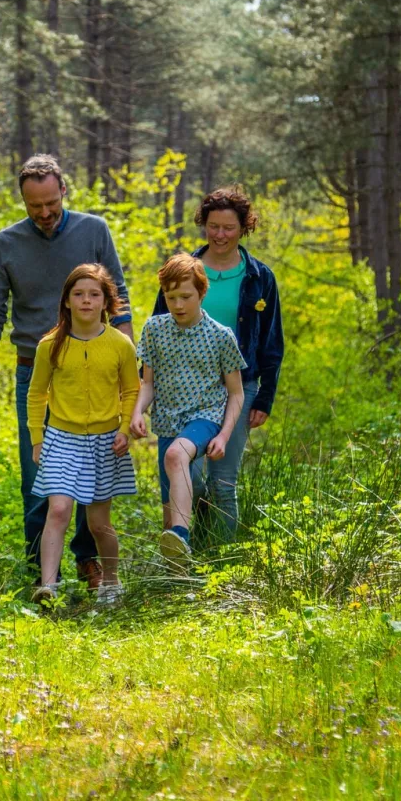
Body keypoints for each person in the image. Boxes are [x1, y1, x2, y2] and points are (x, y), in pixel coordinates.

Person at [0, 154, 133, 588]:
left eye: (50, 204)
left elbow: (120, 298)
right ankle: (40, 575)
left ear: (64, 189)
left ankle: (86, 559)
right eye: (33, 206)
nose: (43, 214)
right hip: (36, 372)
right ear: (23, 200)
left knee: (93, 474)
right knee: (40, 476)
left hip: (97, 369)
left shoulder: (93, 230)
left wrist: (130, 369)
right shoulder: (6, 244)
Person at [149, 186, 284, 543]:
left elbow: (272, 343)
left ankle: (220, 562)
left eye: (228, 227)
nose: (220, 235)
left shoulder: (260, 277)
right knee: (184, 473)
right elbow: (157, 331)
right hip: (184, 390)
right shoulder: (183, 271)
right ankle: (183, 549)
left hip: (241, 387)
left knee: (224, 481)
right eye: (213, 226)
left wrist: (264, 398)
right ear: (203, 225)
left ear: (243, 228)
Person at [25, 264, 138, 605]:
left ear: (106, 302)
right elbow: (36, 393)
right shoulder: (50, 345)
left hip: (105, 442)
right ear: (67, 301)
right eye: (78, 294)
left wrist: (123, 429)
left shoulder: (120, 345)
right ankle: (49, 586)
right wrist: (36, 437)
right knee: (58, 509)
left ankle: (112, 582)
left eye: (94, 294)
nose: (86, 301)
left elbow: (131, 390)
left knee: (98, 522)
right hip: (61, 437)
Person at [131, 253, 246, 566]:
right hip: (167, 421)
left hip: (205, 418)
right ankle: (178, 576)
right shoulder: (154, 330)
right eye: (171, 298)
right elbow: (148, 383)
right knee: (170, 506)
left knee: (175, 456)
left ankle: (183, 534)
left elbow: (236, 393)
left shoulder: (221, 337)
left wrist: (223, 435)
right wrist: (137, 412)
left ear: (202, 293)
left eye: (186, 297)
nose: (178, 305)